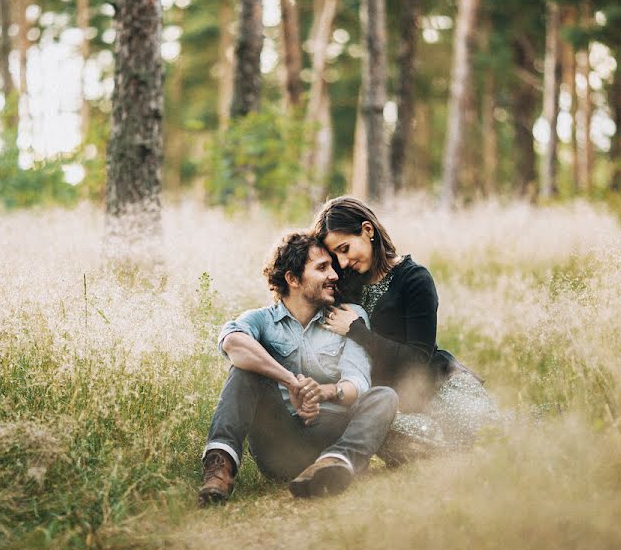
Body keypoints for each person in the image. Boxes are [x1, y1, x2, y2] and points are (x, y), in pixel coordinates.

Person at [199, 232, 399, 505]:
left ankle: (334, 464)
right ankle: (219, 470)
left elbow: (359, 382)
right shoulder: (260, 320)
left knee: (384, 396)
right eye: (322, 268)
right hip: (280, 445)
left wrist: (324, 392)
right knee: (243, 371)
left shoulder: (349, 316)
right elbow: (233, 343)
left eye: (332, 266)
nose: (335, 276)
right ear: (292, 279)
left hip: (332, 437)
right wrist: (291, 382)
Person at [312, 196, 499, 462]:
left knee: (486, 440)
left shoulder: (414, 279)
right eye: (334, 256)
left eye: (345, 249)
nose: (341, 263)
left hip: (439, 386)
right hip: (390, 404)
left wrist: (357, 331)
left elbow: (417, 360)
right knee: (381, 432)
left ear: (368, 230)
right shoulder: (345, 284)